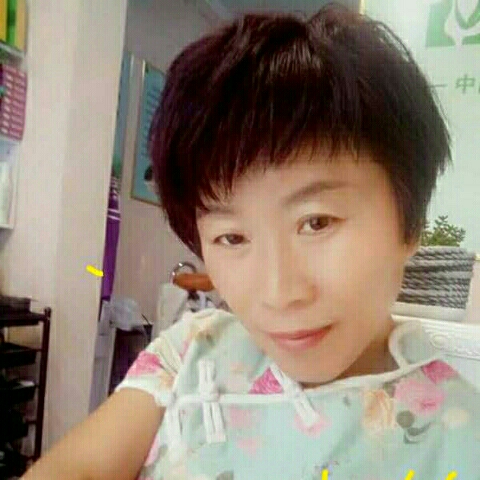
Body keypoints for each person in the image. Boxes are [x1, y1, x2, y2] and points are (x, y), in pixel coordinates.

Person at [23, 4, 480, 480]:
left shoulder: (462, 442)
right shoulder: (192, 352)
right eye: (232, 237)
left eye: (316, 222)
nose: (279, 293)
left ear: (409, 224)